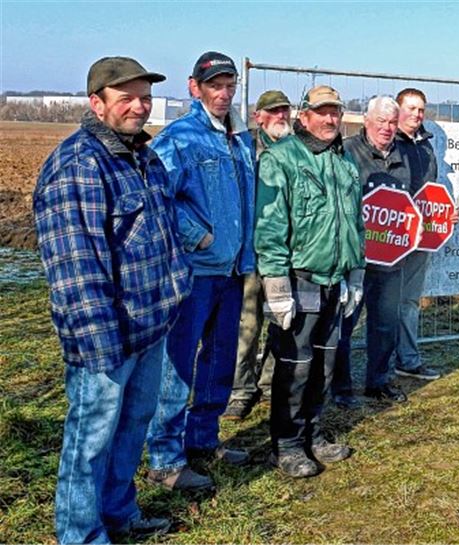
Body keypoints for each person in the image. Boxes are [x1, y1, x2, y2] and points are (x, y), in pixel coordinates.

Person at [34, 56, 191, 543]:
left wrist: (177, 284)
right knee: (91, 439)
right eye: (126, 98)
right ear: (96, 103)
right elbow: (76, 267)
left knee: (132, 428)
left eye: (144, 97)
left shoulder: (141, 156)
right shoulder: (79, 165)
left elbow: (161, 231)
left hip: (149, 325)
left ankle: (120, 514)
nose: (139, 107)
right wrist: (101, 346)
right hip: (105, 336)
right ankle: (80, 534)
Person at [145, 51, 255, 491]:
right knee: (179, 364)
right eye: (215, 86)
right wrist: (197, 236)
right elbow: (156, 196)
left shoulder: (237, 140)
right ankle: (165, 457)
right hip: (194, 273)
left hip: (232, 271)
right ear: (195, 88)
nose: (224, 94)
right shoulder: (178, 139)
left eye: (230, 86)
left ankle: (204, 439)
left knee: (219, 359)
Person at [255, 85, 363, 478]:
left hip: (336, 278)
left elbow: (355, 222)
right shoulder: (281, 160)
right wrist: (276, 283)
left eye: (335, 112)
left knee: (324, 362)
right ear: (304, 117)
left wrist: (355, 271)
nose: (330, 119)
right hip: (300, 279)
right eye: (322, 112)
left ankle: (313, 434)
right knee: (295, 364)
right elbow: (269, 226)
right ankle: (285, 444)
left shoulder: (343, 162)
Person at [334, 95, 427, 404]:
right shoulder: (347, 152)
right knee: (345, 323)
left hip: (391, 258)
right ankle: (341, 388)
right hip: (355, 257)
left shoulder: (404, 153)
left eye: (391, 122)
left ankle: (379, 381)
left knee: (385, 323)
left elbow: (415, 200)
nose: (386, 128)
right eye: (380, 122)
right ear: (366, 121)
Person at [224, 90, 292, 420]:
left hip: (286, 250)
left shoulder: (296, 150)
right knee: (247, 323)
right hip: (251, 250)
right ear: (258, 116)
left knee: (282, 321)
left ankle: (268, 383)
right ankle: (240, 390)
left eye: (285, 111)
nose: (281, 116)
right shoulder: (244, 147)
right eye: (274, 111)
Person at [391, 87, 442, 381]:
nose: (416, 114)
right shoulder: (387, 142)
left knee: (409, 299)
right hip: (389, 234)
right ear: (398, 110)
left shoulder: (426, 146)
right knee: (379, 301)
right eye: (410, 108)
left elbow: (430, 188)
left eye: (421, 109)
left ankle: (408, 359)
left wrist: (442, 213)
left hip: (420, 235)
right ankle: (378, 361)